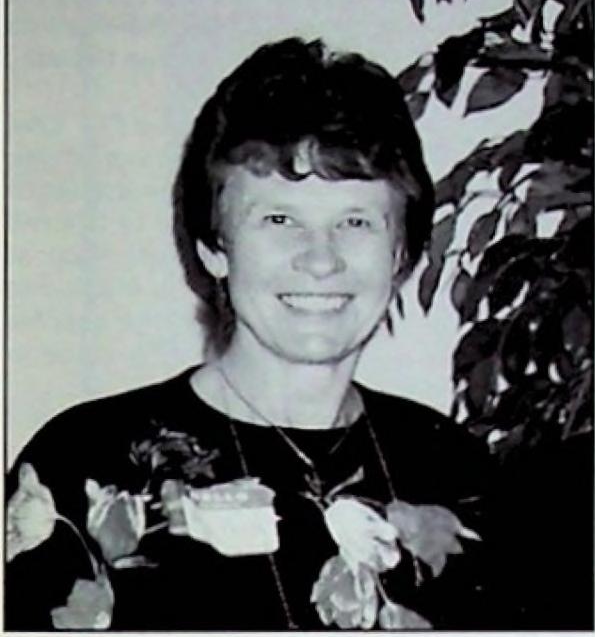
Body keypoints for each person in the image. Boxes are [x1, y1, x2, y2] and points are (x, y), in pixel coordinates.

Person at [6, 37, 491, 630]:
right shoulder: (86, 463)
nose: (321, 259)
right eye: (279, 219)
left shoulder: (456, 469)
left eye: (356, 221)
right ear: (215, 247)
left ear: (400, 253)